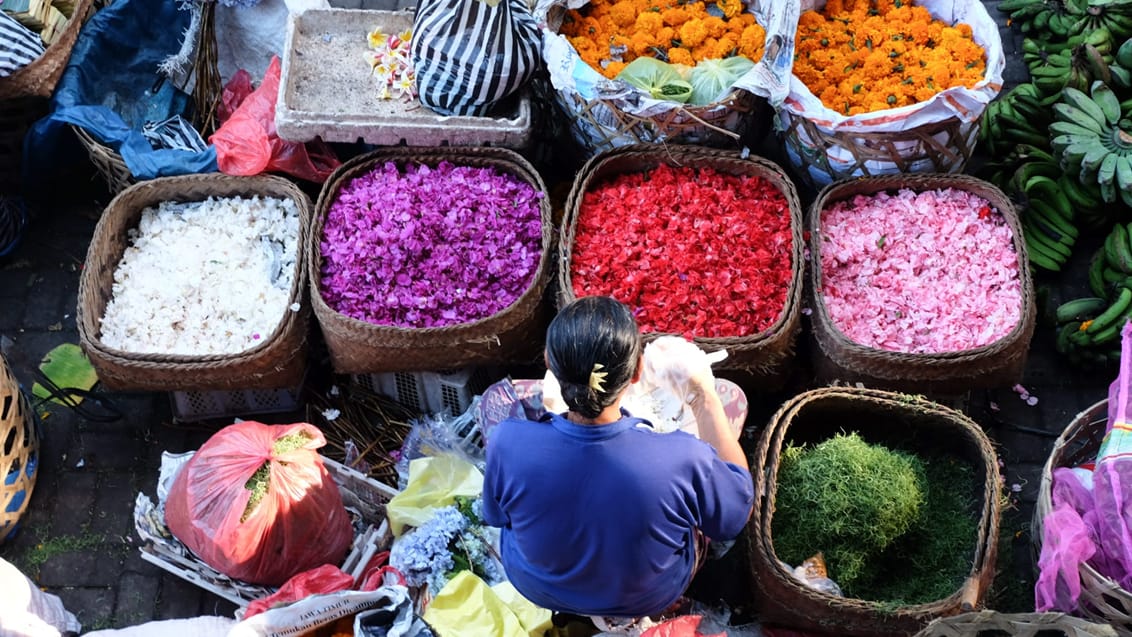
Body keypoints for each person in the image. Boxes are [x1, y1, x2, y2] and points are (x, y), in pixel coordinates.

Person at [481, 295, 755, 620]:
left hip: (537, 585)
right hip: (647, 597)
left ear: (549, 364)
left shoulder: (508, 442)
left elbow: (496, 516)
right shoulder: (684, 458)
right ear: (638, 370)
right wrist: (703, 396)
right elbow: (732, 519)